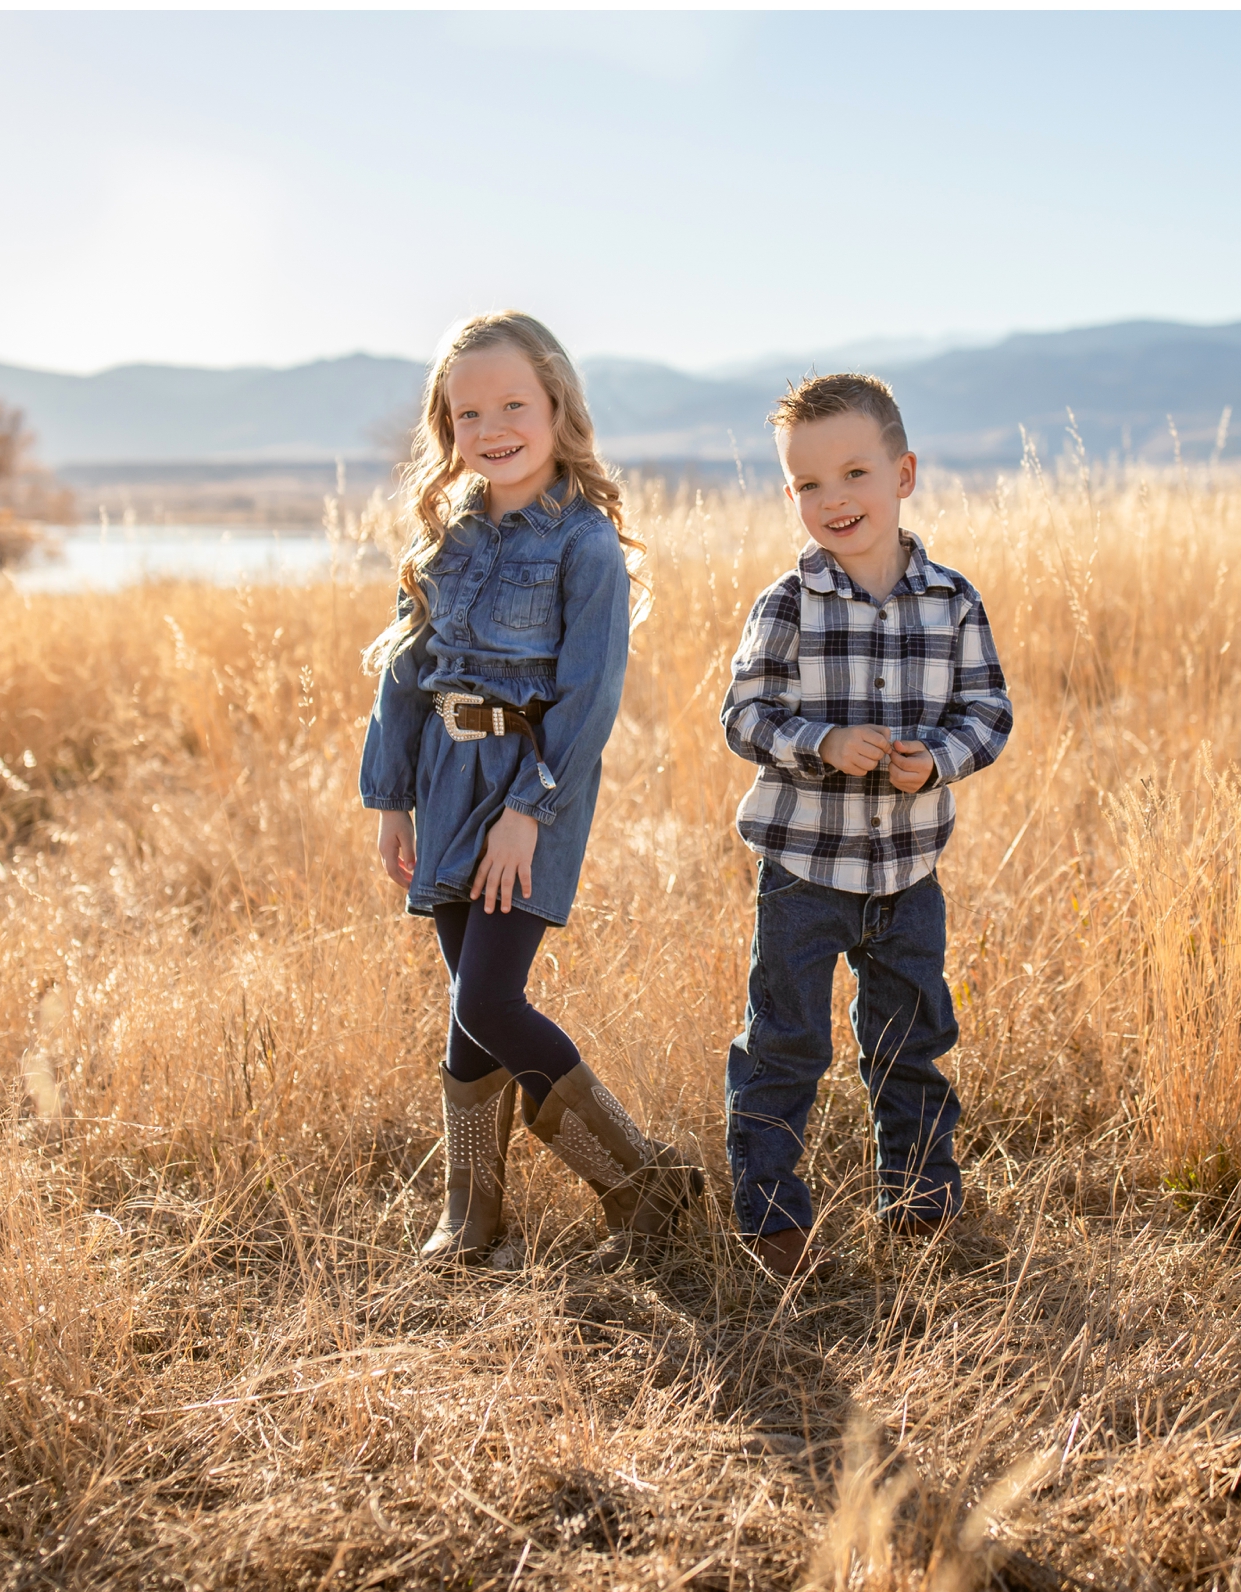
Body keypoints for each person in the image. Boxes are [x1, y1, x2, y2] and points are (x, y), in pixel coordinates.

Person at [359, 310, 704, 1274]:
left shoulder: (583, 544)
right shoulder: (444, 535)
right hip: (442, 782)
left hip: (526, 792)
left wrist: (527, 813)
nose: (493, 427)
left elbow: (588, 701)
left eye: (514, 403)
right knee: (470, 1002)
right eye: (469, 413)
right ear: (447, 427)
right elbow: (402, 675)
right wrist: (392, 799)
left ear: (556, 404)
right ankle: (477, 1222)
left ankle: (643, 1183)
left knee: (490, 999)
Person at [718, 372, 1014, 1278]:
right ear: (791, 495)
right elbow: (743, 716)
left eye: (854, 473)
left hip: (908, 872)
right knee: (786, 1041)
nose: (834, 499)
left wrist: (942, 759)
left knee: (912, 1037)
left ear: (904, 473)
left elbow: (989, 713)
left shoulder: (953, 601)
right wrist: (822, 741)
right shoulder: (787, 605)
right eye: (809, 484)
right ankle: (770, 1216)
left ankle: (920, 1203)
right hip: (805, 872)